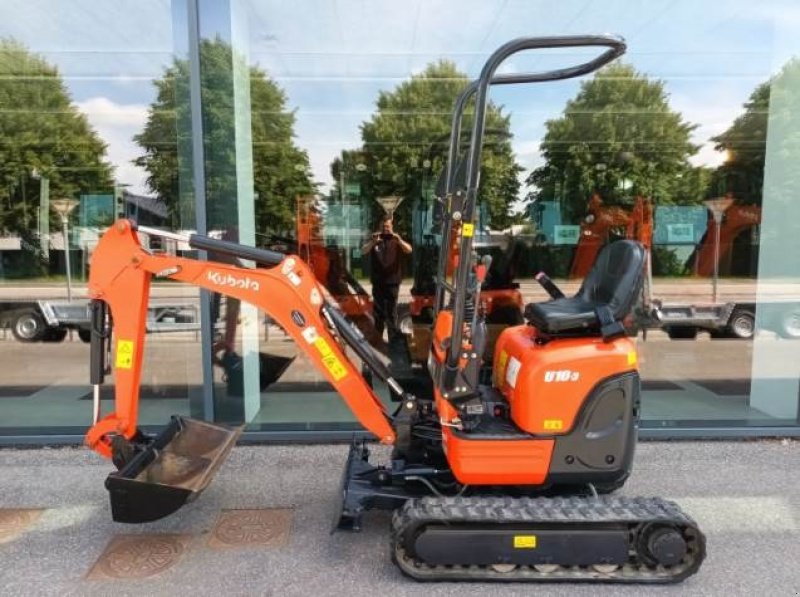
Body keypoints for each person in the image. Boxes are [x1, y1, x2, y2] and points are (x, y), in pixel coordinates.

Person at [361, 215, 412, 342]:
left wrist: (399, 240)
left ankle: (392, 339)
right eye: (384, 227)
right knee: (378, 312)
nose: (386, 229)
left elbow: (409, 250)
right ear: (380, 227)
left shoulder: (396, 240)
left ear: (392, 227)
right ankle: (377, 338)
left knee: (391, 311)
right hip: (378, 282)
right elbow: (363, 251)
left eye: (388, 226)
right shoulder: (375, 240)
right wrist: (373, 242)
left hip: (393, 282)